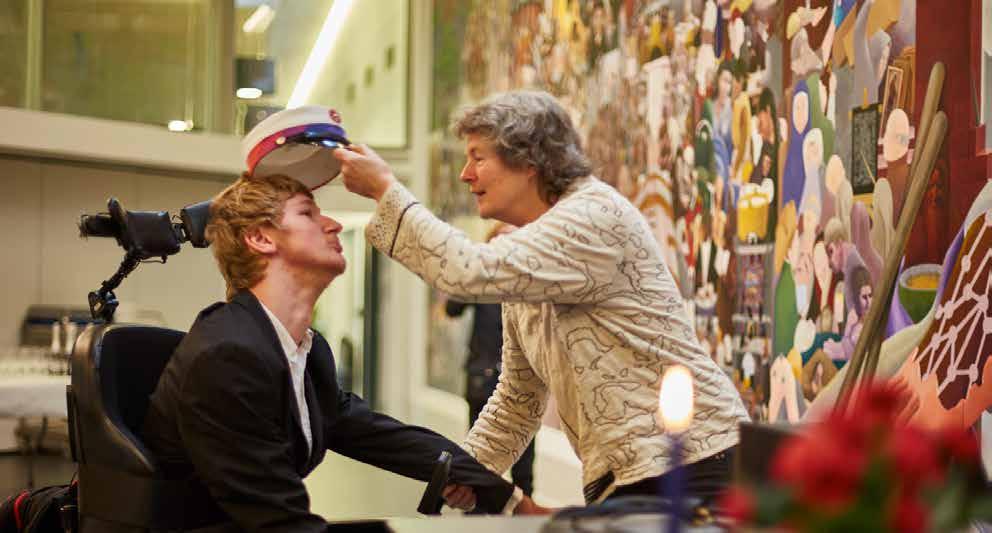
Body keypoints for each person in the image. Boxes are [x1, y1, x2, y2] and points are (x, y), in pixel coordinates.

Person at [333, 90, 749, 506]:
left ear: (528, 160)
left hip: (696, 463)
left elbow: (466, 270)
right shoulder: (532, 253)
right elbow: (518, 398)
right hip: (639, 476)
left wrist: (385, 189)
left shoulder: (593, 214)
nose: (465, 174)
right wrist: (468, 469)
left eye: (478, 157)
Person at [141, 174, 544, 532]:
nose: (332, 223)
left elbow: (381, 436)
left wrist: (509, 500)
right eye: (307, 214)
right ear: (260, 238)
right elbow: (280, 522)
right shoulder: (227, 357)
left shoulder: (304, 350)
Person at [443, 222, 536, 502]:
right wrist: (475, 270)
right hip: (481, 378)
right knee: (480, 461)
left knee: (524, 465)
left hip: (522, 384)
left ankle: (524, 516)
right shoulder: (481, 281)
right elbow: (452, 308)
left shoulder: (530, 285)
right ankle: (479, 511)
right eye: (502, 241)